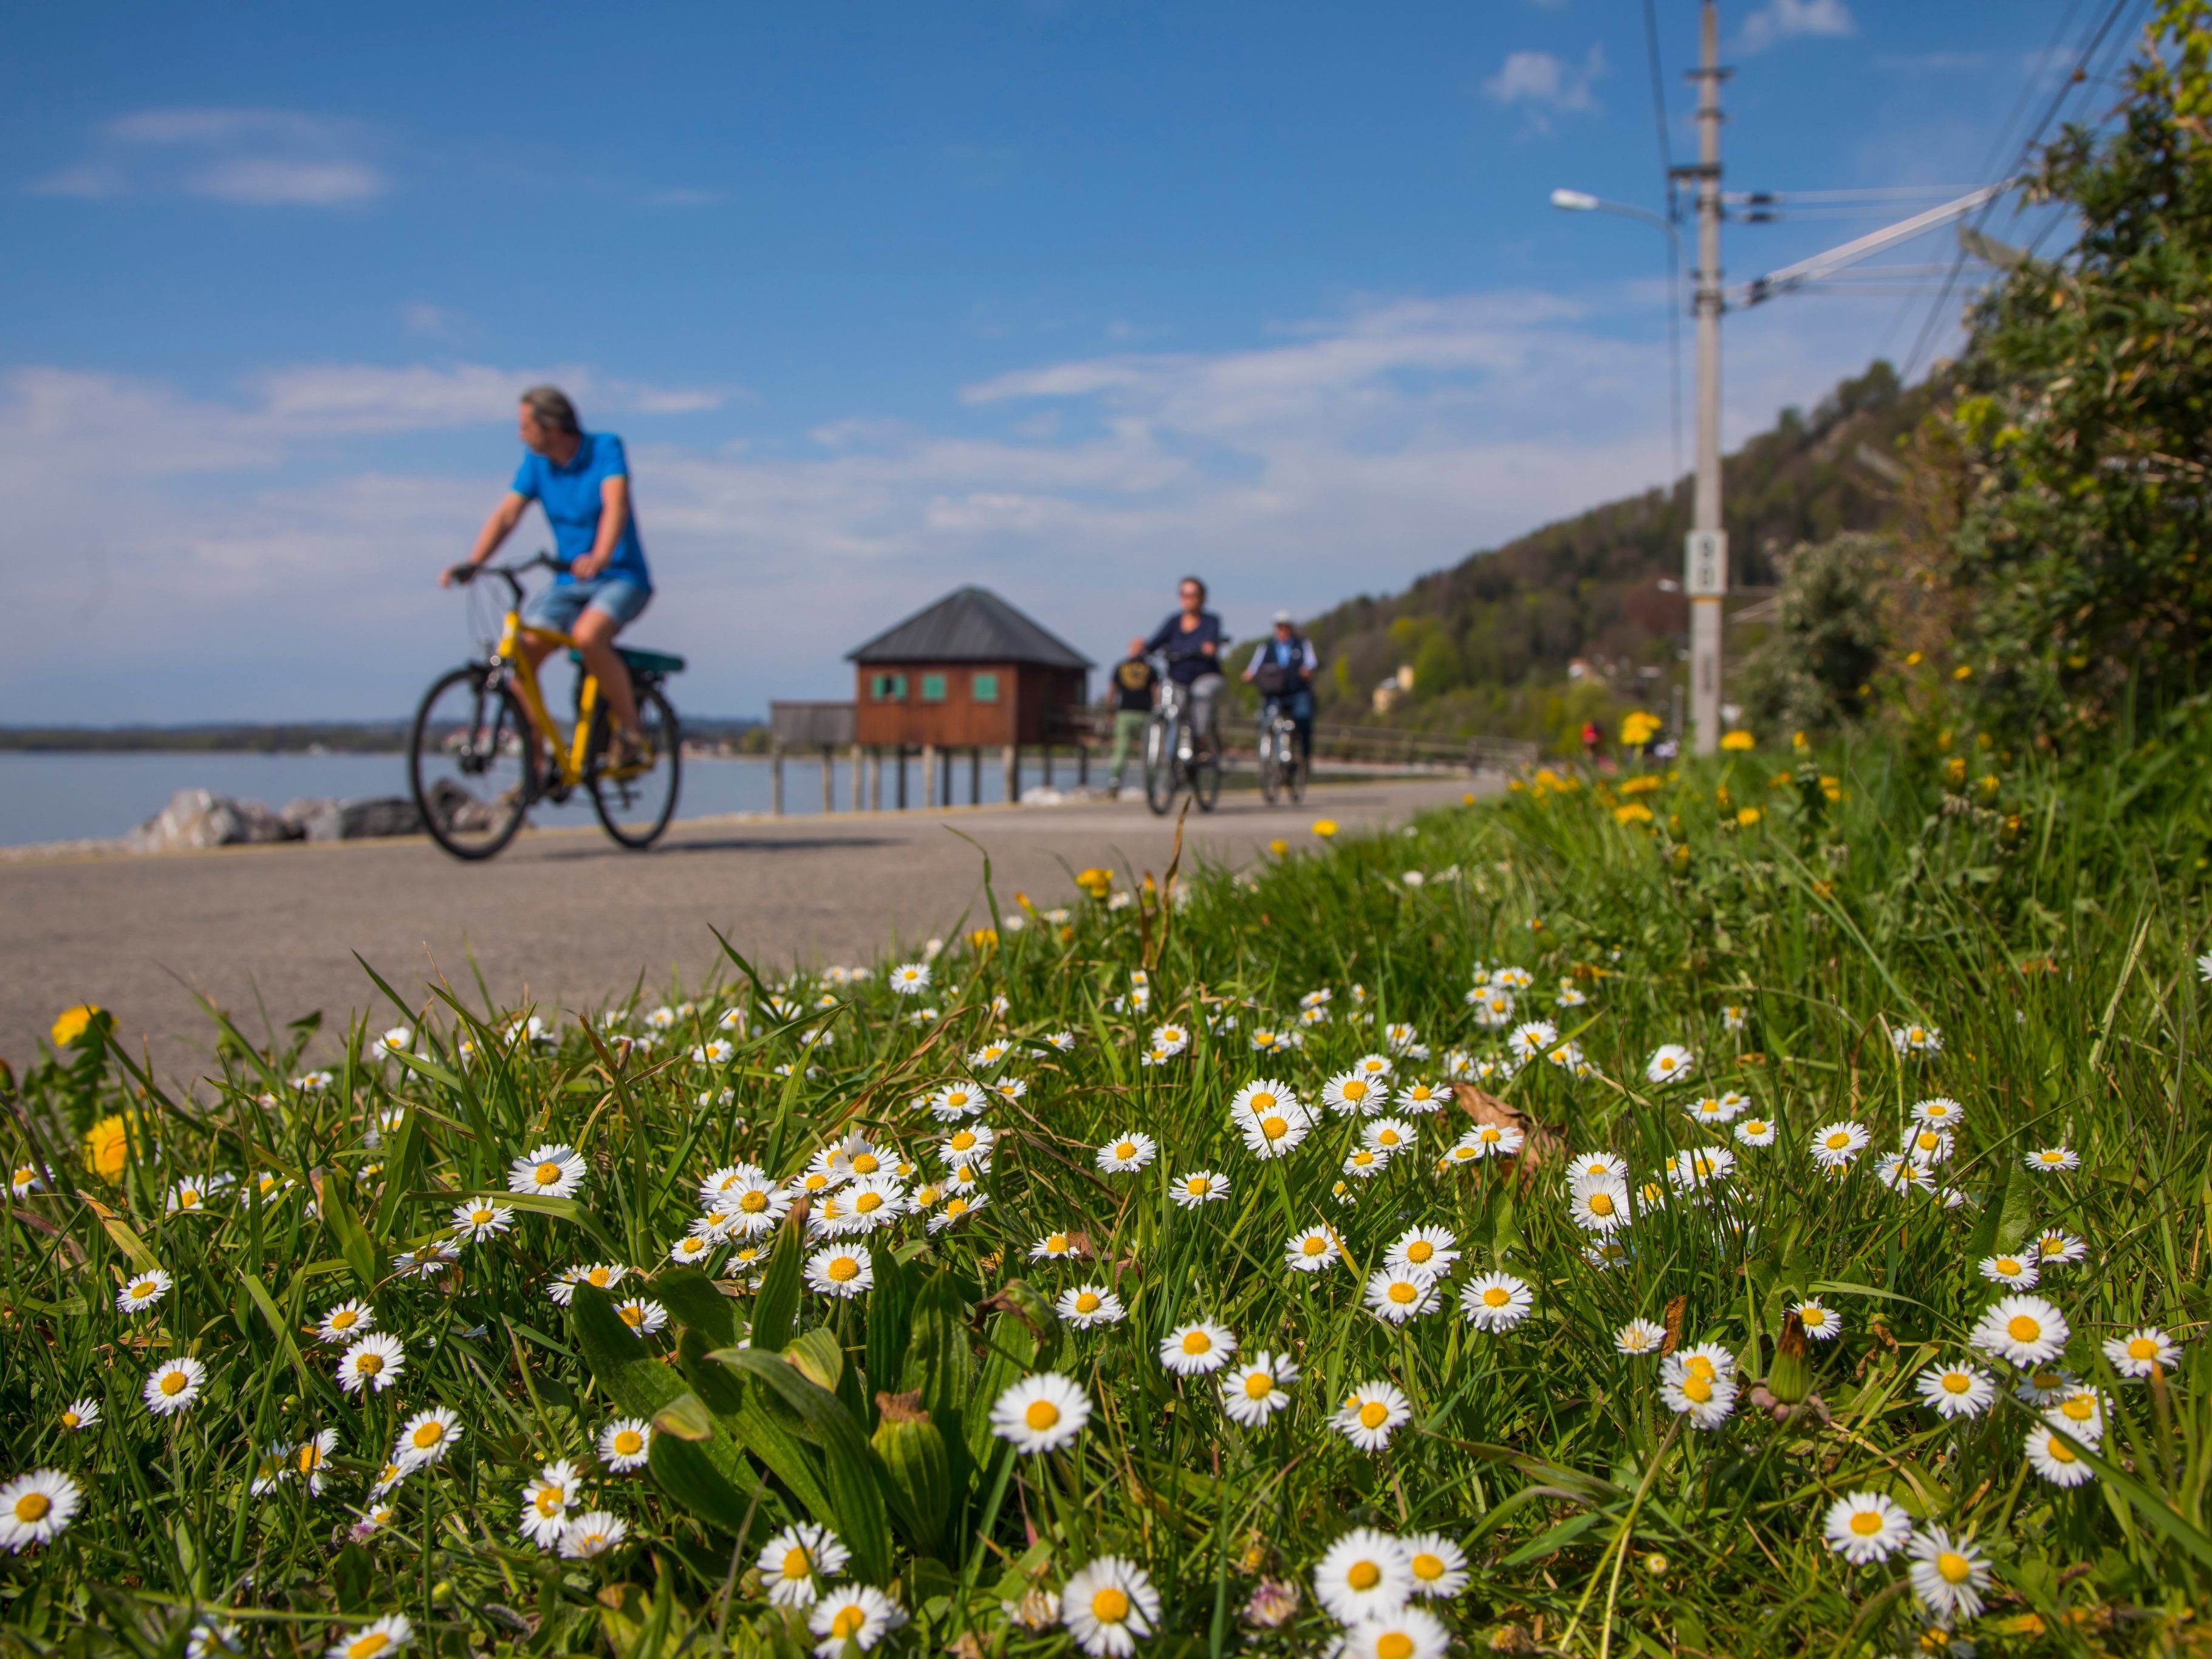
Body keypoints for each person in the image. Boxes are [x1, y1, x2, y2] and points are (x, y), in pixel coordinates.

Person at [443, 386, 654, 761]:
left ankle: (631, 731)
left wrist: (602, 554)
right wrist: (474, 562)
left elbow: (615, 504)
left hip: (621, 577)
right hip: (569, 582)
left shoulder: (605, 448)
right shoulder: (536, 465)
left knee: (588, 637)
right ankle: (536, 764)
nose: (520, 435)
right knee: (521, 657)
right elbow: (508, 514)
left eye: (525, 426)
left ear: (552, 427)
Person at [1144, 576, 1227, 752]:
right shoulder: (1173, 622)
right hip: (1178, 677)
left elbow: (1212, 641)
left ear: (1202, 598)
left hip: (1205, 675)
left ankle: (1201, 740)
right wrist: (1141, 651)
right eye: (1184, 594)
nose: (1188, 599)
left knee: (1201, 693)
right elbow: (1154, 643)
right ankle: (1172, 756)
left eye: (1193, 595)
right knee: (1173, 705)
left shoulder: (1211, 621)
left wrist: (1210, 648)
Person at [1243, 610, 1318, 767]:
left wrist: (1307, 671)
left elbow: (1311, 664)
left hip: (1297, 691)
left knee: (1303, 717)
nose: (1282, 630)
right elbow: (1254, 667)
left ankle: (1305, 755)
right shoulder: (1266, 647)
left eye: (1285, 627)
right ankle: (1268, 757)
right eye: (1279, 627)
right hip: (1274, 692)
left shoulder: (1302, 645)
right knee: (1266, 721)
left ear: (1290, 628)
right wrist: (1249, 675)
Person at [1104, 637, 1157, 795]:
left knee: (1130, 750)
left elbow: (1112, 692)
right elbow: (1156, 693)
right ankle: (1146, 785)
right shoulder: (1150, 669)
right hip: (1133, 713)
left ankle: (1118, 781)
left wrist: (1110, 710)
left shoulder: (1121, 667)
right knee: (1142, 750)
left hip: (1137, 714)